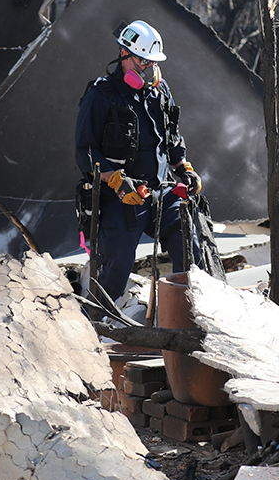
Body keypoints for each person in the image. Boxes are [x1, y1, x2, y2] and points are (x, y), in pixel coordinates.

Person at [74, 19, 203, 303]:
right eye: (143, 61)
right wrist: (115, 179)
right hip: (120, 197)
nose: (148, 68)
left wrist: (184, 168)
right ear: (124, 55)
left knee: (189, 248)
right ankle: (89, 330)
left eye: (152, 62)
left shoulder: (160, 92)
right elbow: (84, 152)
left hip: (159, 192)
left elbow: (172, 137)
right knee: (115, 270)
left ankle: (187, 319)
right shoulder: (100, 96)